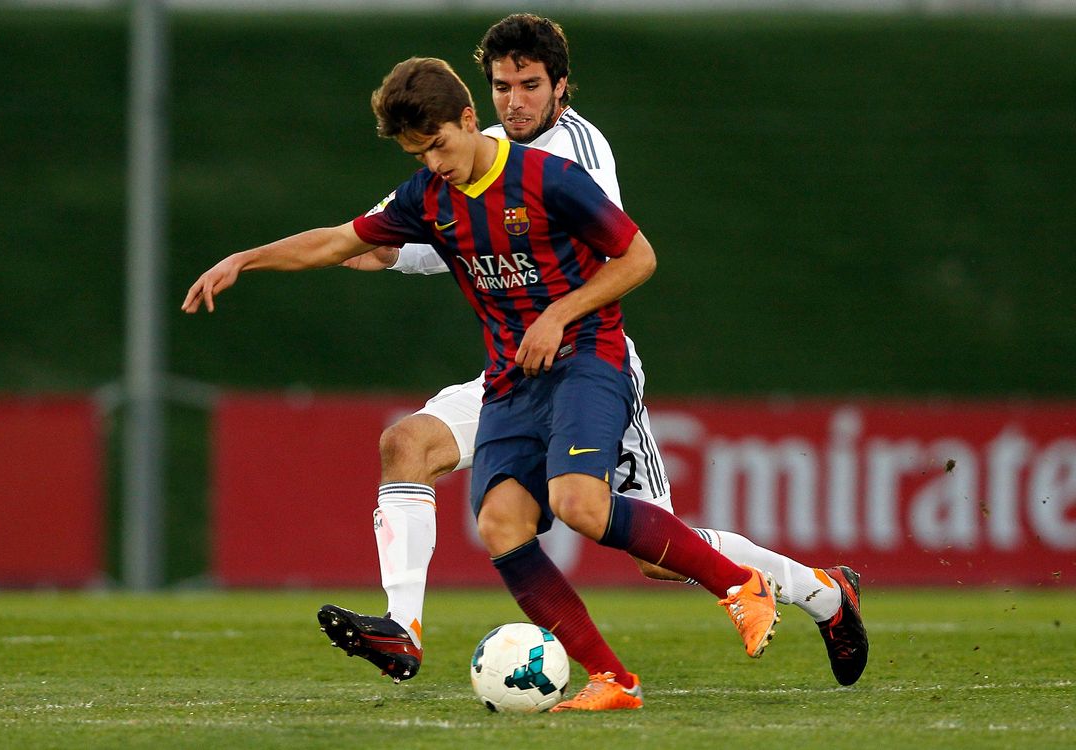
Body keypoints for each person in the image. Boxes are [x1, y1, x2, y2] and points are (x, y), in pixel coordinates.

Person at [184, 54, 783, 712]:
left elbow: (638, 256)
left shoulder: (550, 177)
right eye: (420, 154)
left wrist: (558, 314)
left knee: (580, 502)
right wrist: (247, 259)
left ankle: (739, 584)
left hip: (586, 356)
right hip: (510, 379)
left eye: (439, 145)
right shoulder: (427, 199)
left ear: (470, 119)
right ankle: (613, 680)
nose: (435, 164)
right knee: (501, 525)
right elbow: (336, 242)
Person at [319, 12, 868, 693]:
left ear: (560, 87)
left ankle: (822, 592)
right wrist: (384, 250)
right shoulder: (470, 146)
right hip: (515, 370)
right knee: (407, 445)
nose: (514, 101)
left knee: (662, 559)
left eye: (529, 85)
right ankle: (404, 630)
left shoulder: (578, 152)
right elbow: (441, 234)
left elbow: (601, 258)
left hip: (587, 359)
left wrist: (526, 300)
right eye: (501, 85)